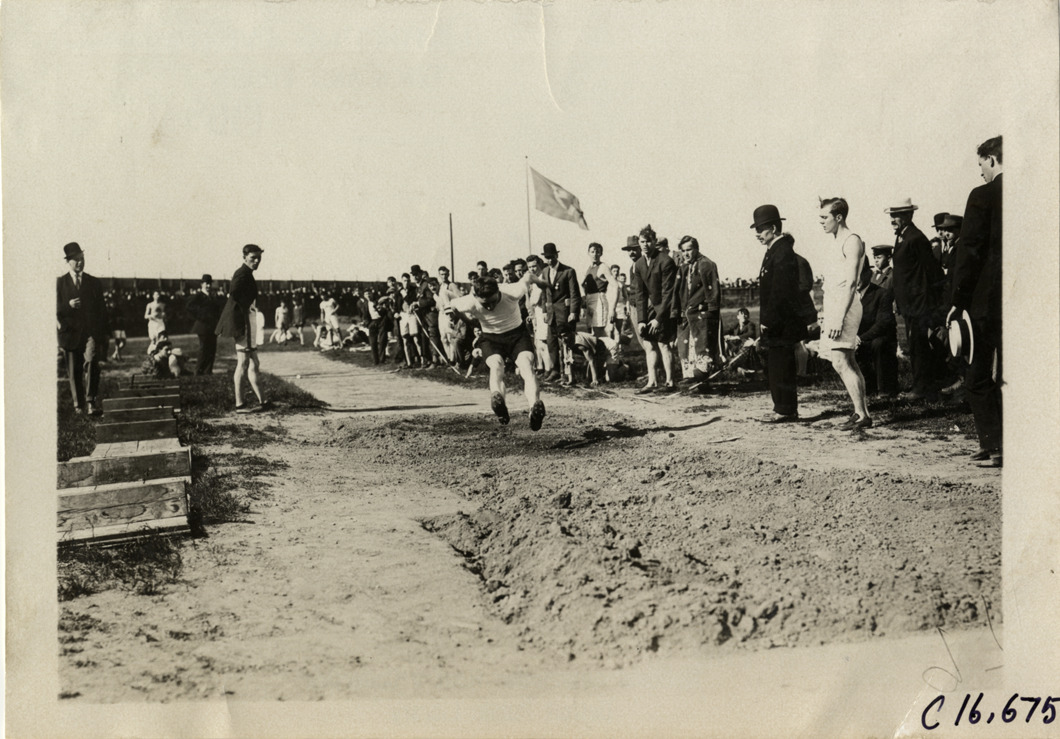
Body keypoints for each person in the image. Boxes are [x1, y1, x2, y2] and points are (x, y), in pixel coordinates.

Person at [951, 135, 1003, 468]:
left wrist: (958, 299)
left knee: (977, 375)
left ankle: (995, 445)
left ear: (991, 159)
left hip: (987, 302)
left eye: (981, 164)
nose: (981, 171)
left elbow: (969, 252)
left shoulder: (982, 195)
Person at [445, 274, 549, 431]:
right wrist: (465, 319)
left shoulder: (512, 291)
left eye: (493, 301)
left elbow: (528, 276)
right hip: (491, 338)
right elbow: (451, 304)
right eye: (485, 304)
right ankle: (498, 401)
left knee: (526, 365)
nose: (490, 307)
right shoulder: (469, 301)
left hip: (516, 335)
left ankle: (534, 407)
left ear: (498, 292)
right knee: (496, 365)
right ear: (475, 296)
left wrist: (542, 283)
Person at [818, 197, 871, 429]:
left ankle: (862, 414)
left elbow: (851, 283)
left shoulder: (852, 241)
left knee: (841, 361)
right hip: (834, 305)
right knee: (844, 361)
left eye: (825, 217)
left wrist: (839, 317)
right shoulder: (835, 241)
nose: (821, 222)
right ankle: (861, 412)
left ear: (838, 217)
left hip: (846, 307)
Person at [751, 204, 807, 422]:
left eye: (760, 229)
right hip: (778, 320)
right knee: (777, 364)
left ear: (773, 228)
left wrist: (768, 320)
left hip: (782, 322)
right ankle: (782, 408)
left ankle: (785, 410)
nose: (757, 234)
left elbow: (779, 291)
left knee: (781, 365)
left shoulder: (782, 251)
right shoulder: (774, 250)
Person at [886, 197, 946, 400]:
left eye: (897, 215)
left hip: (918, 303)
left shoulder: (916, 238)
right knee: (915, 345)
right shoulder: (902, 236)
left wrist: (929, 300)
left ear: (909, 215)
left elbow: (932, 270)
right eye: (892, 215)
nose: (892, 219)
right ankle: (922, 384)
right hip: (909, 303)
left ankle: (922, 389)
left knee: (919, 346)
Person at [216, 244, 270, 413]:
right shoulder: (242, 274)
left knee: (254, 362)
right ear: (244, 257)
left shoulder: (247, 274)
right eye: (253, 258)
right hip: (244, 323)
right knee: (244, 362)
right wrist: (243, 314)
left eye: (259, 258)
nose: (257, 261)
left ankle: (264, 401)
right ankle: (240, 404)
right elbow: (234, 293)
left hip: (249, 322)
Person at [56, 242, 107, 415]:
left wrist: (104, 333)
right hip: (69, 333)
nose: (80, 262)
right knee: (74, 370)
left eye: (82, 258)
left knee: (91, 362)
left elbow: (102, 309)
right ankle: (78, 405)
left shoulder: (94, 282)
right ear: (67, 261)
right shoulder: (59, 283)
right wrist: (68, 305)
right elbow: (51, 308)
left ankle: (91, 401)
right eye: (76, 259)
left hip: (90, 332)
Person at [631, 224, 679, 393]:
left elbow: (668, 293)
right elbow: (640, 294)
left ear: (654, 241)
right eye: (642, 242)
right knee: (649, 345)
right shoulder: (639, 264)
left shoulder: (666, 261)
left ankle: (670, 382)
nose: (645, 245)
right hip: (650, 309)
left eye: (648, 241)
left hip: (664, 309)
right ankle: (652, 382)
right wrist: (642, 320)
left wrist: (659, 319)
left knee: (663, 344)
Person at [674, 235, 722, 387]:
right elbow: (678, 292)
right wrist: (676, 311)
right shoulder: (683, 267)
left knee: (703, 346)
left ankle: (702, 381)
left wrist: (711, 309)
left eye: (689, 250)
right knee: (686, 347)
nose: (686, 254)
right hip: (687, 314)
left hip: (702, 314)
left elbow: (713, 290)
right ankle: (691, 380)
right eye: (683, 251)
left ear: (696, 249)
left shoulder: (706, 265)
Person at [855, 260, 899, 397]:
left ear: (868, 274)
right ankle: (865, 387)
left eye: (859, 275)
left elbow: (883, 324)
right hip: (858, 338)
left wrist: (860, 338)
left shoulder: (881, 293)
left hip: (878, 337)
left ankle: (886, 389)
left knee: (878, 344)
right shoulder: (850, 296)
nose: (856, 279)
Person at [541, 242, 581, 386]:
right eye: (547, 258)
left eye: (551, 257)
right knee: (551, 343)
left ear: (556, 256)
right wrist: (544, 311)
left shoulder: (568, 271)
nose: (549, 260)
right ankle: (555, 370)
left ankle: (568, 372)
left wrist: (573, 312)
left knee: (566, 343)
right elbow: (544, 293)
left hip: (564, 314)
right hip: (551, 314)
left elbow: (575, 294)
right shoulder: (545, 272)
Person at [187, 274, 222, 374]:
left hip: (212, 326)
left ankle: (208, 370)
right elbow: (189, 307)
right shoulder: (198, 296)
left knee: (212, 348)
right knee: (204, 348)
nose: (208, 286)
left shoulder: (212, 296)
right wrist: (201, 315)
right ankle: (199, 370)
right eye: (206, 284)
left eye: (210, 284)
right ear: (202, 284)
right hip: (202, 326)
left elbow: (217, 311)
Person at [582, 242, 611, 337]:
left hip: (599, 298)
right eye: (592, 252)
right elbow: (583, 285)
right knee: (589, 330)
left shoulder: (603, 267)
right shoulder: (588, 268)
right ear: (588, 253)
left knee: (599, 330)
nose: (595, 254)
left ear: (601, 253)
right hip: (589, 299)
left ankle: (609, 346)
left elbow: (614, 284)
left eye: (597, 252)